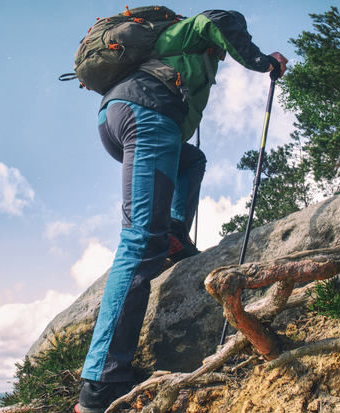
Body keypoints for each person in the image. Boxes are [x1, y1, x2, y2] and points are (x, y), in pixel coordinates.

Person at [75, 9, 288, 413]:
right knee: (140, 243)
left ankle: (173, 234)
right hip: (148, 115)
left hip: (125, 116)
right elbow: (217, 18)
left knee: (192, 161)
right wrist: (262, 61)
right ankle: (101, 383)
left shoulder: (184, 53)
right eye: (228, 46)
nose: (225, 54)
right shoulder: (184, 32)